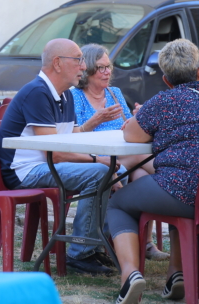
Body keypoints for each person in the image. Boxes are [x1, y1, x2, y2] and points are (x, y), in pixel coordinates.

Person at [106, 39, 199, 303]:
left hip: (184, 191)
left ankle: (129, 274)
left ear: (166, 79)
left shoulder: (164, 101)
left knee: (118, 203)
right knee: (173, 191)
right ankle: (176, 274)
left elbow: (130, 136)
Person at [0, 38, 115, 276]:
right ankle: (80, 252)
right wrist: (96, 159)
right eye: (78, 60)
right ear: (58, 63)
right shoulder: (37, 92)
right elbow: (57, 153)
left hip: (45, 165)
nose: (84, 66)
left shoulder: (65, 94)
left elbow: (68, 137)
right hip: (25, 171)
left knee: (114, 170)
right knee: (102, 172)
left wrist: (89, 129)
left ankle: (92, 246)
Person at [72, 43, 166, 262]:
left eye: (109, 67)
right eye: (101, 67)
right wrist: (96, 120)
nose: (107, 72)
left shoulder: (113, 93)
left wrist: (137, 117)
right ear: (87, 70)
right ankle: (173, 175)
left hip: (122, 154)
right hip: (94, 157)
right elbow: (74, 135)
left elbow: (126, 125)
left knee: (142, 176)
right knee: (146, 162)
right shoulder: (75, 95)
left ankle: (141, 241)